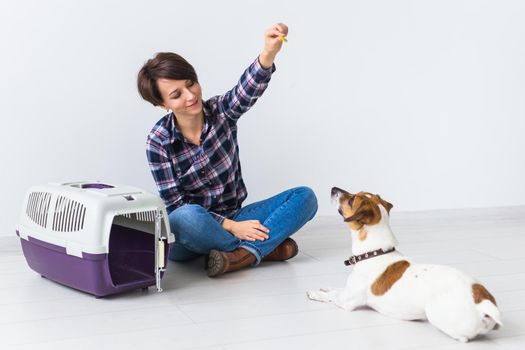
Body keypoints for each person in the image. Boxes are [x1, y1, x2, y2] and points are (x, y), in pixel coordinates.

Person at [137, 23, 318, 277]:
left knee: (305, 197)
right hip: (192, 231)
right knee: (186, 217)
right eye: (177, 94)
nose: (190, 96)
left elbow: (247, 89)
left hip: (236, 213)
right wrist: (232, 227)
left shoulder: (221, 112)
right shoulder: (158, 141)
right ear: (161, 104)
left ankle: (239, 256)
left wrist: (268, 52)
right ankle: (261, 249)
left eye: (191, 84)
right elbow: (176, 206)